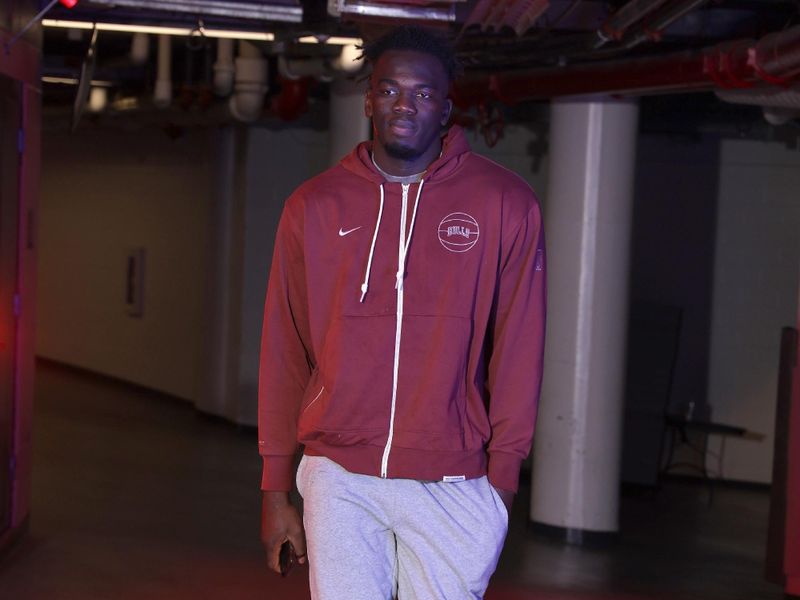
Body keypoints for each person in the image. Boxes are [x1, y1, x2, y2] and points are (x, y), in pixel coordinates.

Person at [258, 25, 546, 600]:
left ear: (445, 107)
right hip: (338, 473)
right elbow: (284, 346)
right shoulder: (313, 206)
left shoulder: (504, 203)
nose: (404, 105)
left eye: (422, 93)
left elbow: (519, 348)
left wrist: (501, 486)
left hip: (452, 477)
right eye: (389, 90)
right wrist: (274, 488)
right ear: (368, 100)